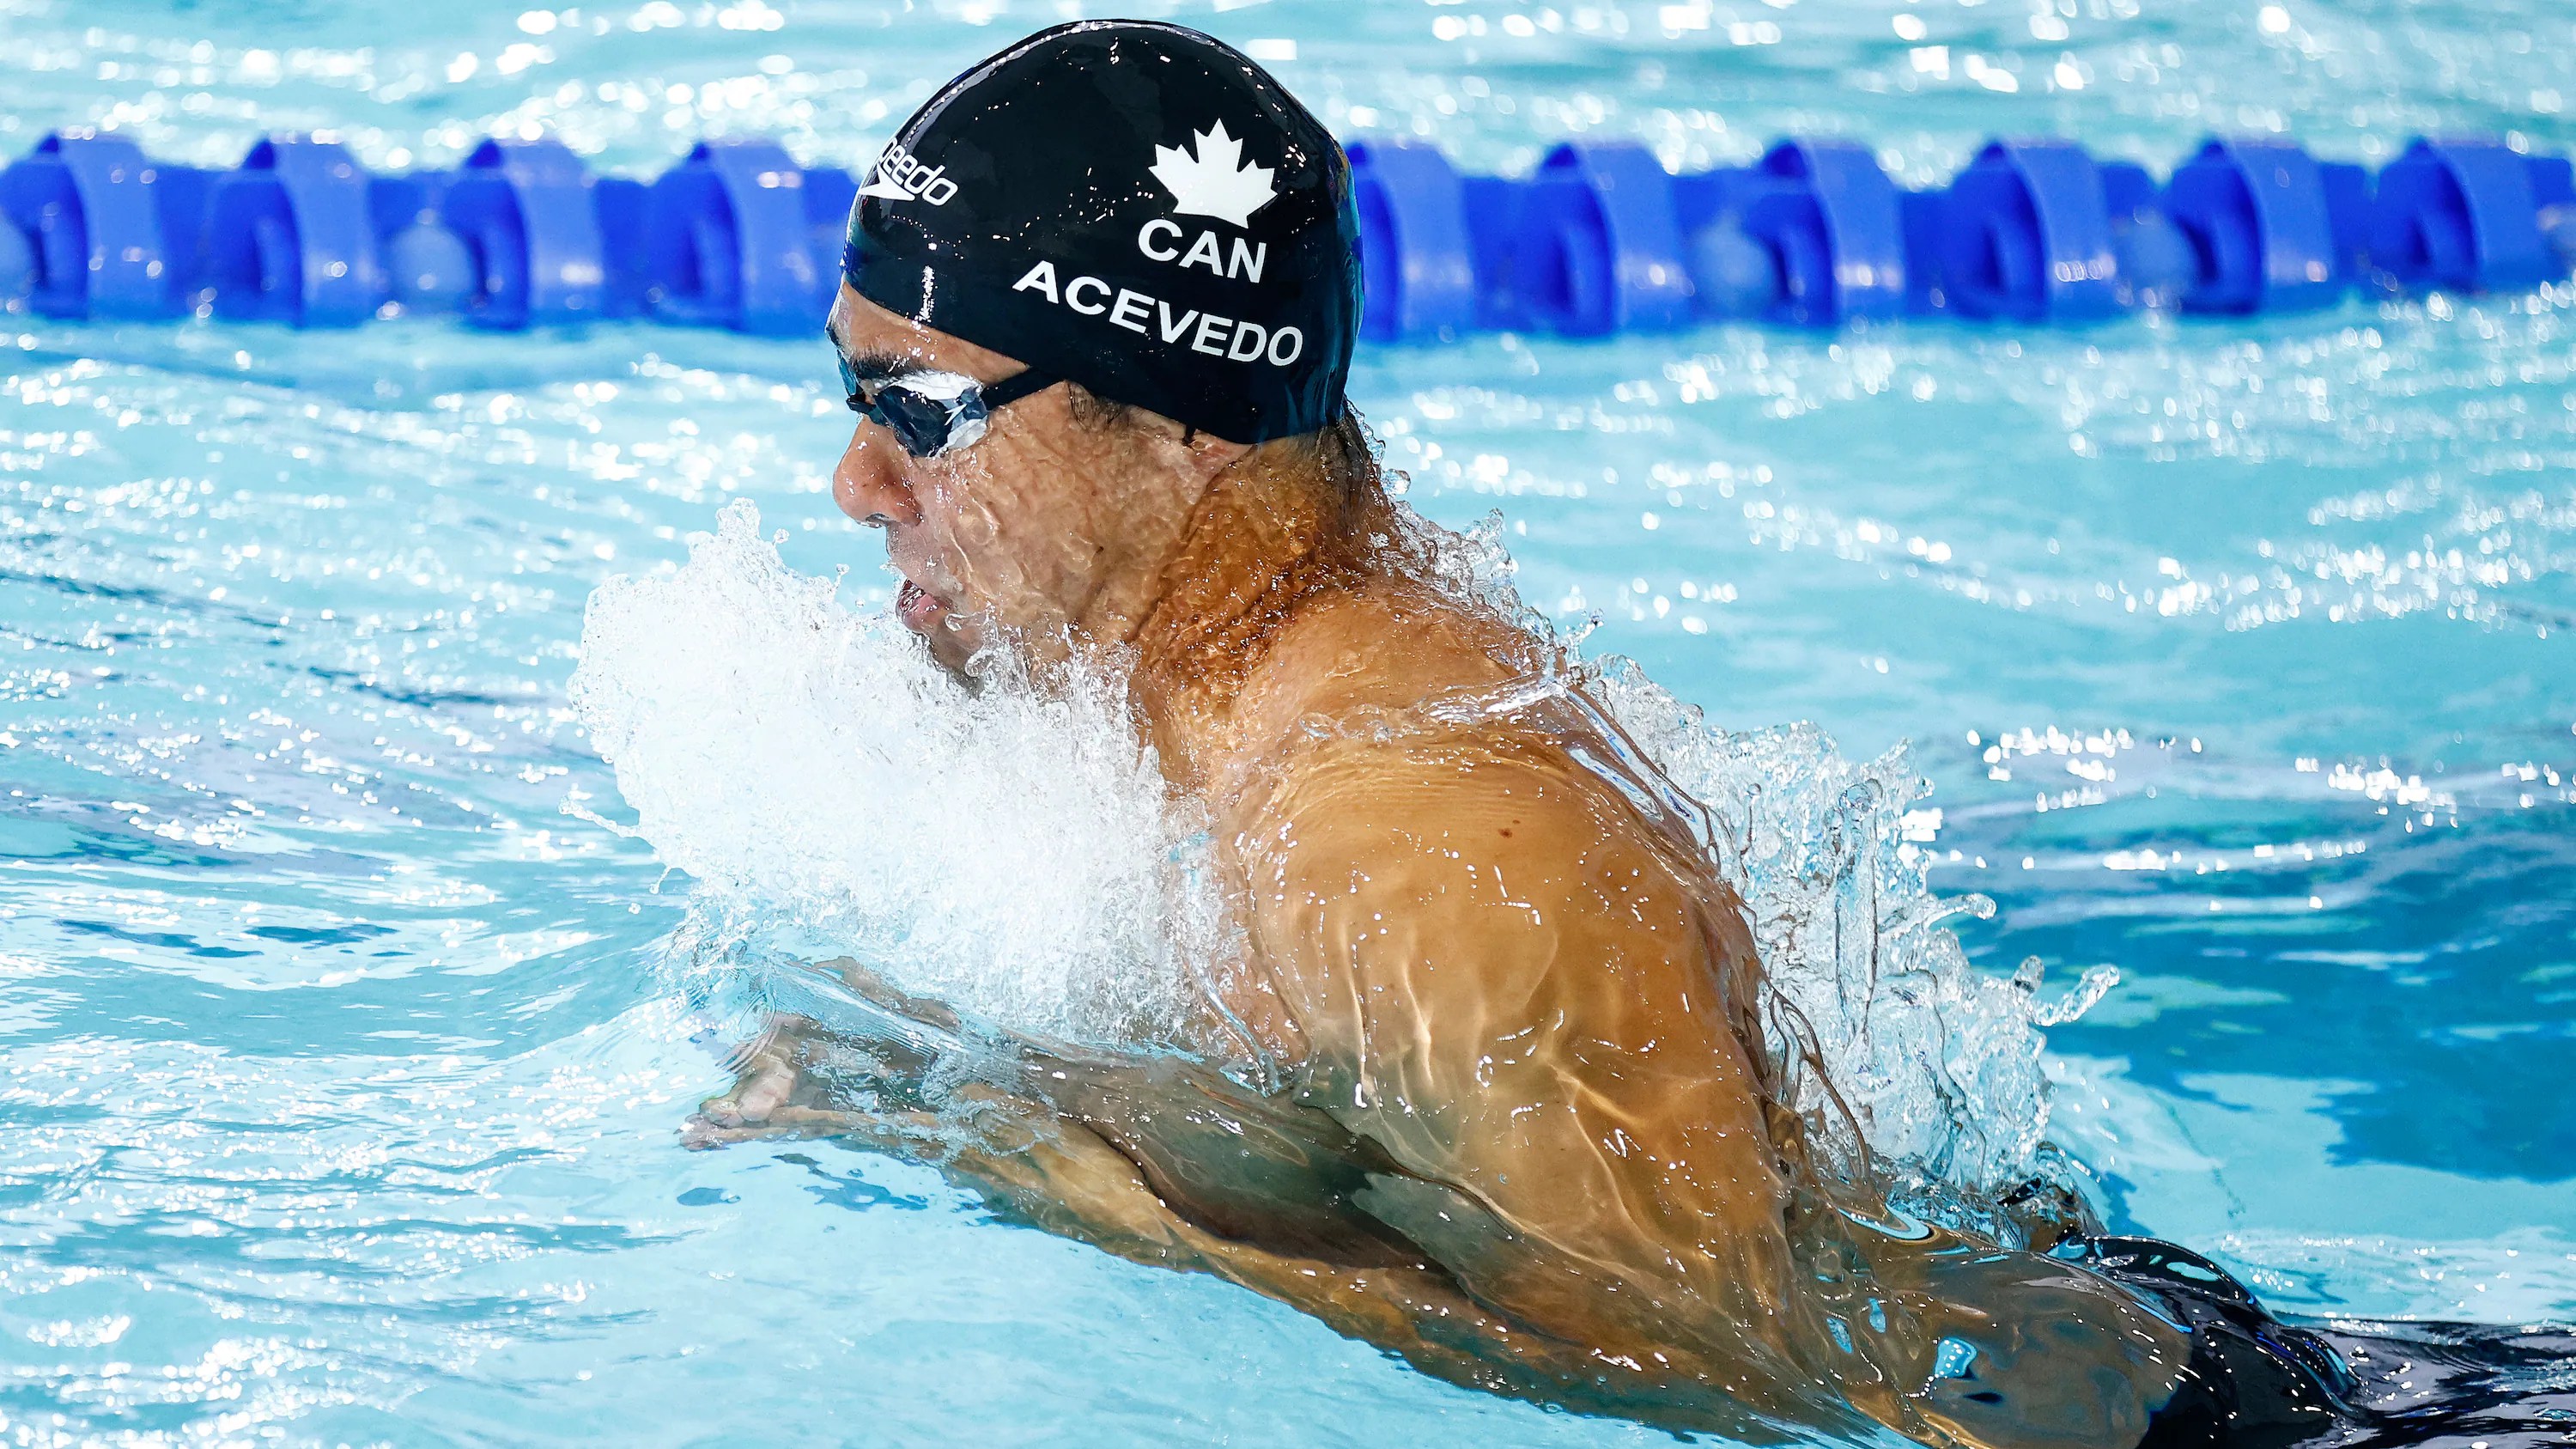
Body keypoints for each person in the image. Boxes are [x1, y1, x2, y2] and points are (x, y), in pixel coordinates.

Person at [687, 21, 2569, 1447]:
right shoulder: (1242, 694)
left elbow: (1732, 1373)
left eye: (918, 410)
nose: (857, 484)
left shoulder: (1425, 841)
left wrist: (1126, 1207)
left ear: (1181, 417)